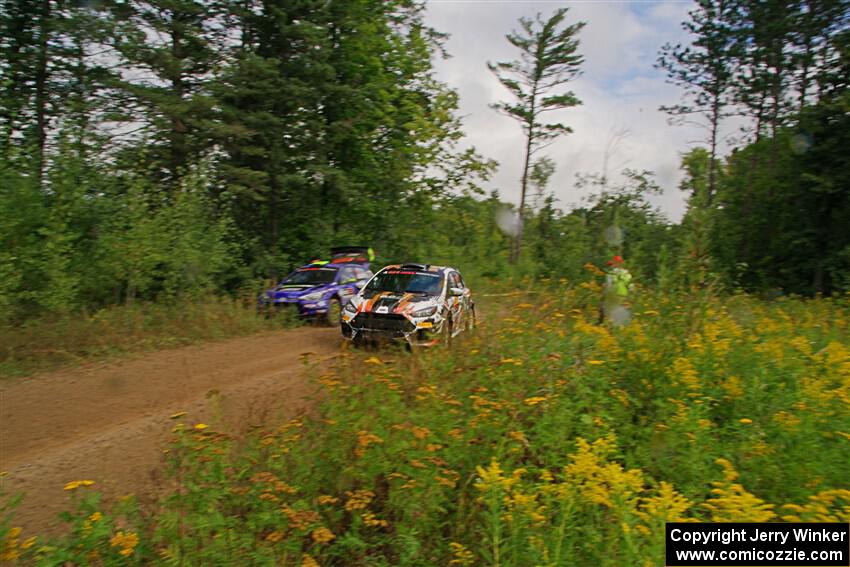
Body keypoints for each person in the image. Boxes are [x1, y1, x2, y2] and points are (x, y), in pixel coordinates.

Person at [598, 255, 632, 324]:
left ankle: (601, 325)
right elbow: (630, 286)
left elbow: (609, 286)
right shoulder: (626, 273)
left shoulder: (611, 273)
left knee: (604, 308)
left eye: (611, 264)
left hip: (613, 294)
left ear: (615, 264)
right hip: (623, 294)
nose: (611, 266)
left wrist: (602, 295)